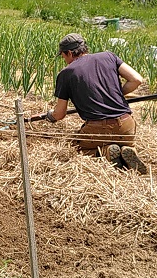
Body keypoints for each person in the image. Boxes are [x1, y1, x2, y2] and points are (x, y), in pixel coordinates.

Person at [34, 33, 148, 173]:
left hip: (97, 128)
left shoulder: (66, 73)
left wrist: (50, 115)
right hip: (126, 124)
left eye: (63, 56)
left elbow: (60, 114)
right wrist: (114, 95)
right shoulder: (109, 56)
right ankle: (128, 149)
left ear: (69, 53)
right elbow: (136, 79)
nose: (64, 60)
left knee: (75, 148)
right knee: (122, 139)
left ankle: (105, 152)